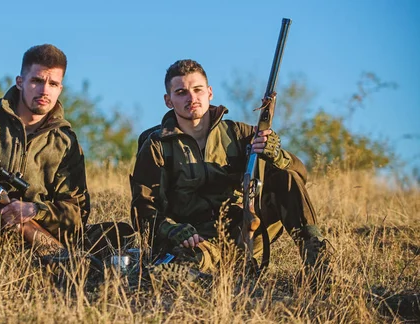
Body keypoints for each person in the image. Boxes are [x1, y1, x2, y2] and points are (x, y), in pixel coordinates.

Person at [0, 44, 133, 289]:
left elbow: (75, 215)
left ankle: (69, 268)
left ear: (60, 88)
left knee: (120, 233)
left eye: (53, 84)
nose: (44, 90)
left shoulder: (65, 142)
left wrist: (34, 210)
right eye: (37, 80)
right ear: (20, 81)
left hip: (27, 239)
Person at [130, 59, 330, 277]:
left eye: (197, 89)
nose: (192, 98)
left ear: (210, 92)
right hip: (196, 240)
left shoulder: (239, 134)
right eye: (181, 92)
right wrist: (172, 229)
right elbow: (143, 209)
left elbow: (298, 175)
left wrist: (276, 155)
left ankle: (319, 268)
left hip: (248, 231)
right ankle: (220, 272)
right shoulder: (157, 145)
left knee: (285, 177)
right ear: (169, 101)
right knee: (173, 271)